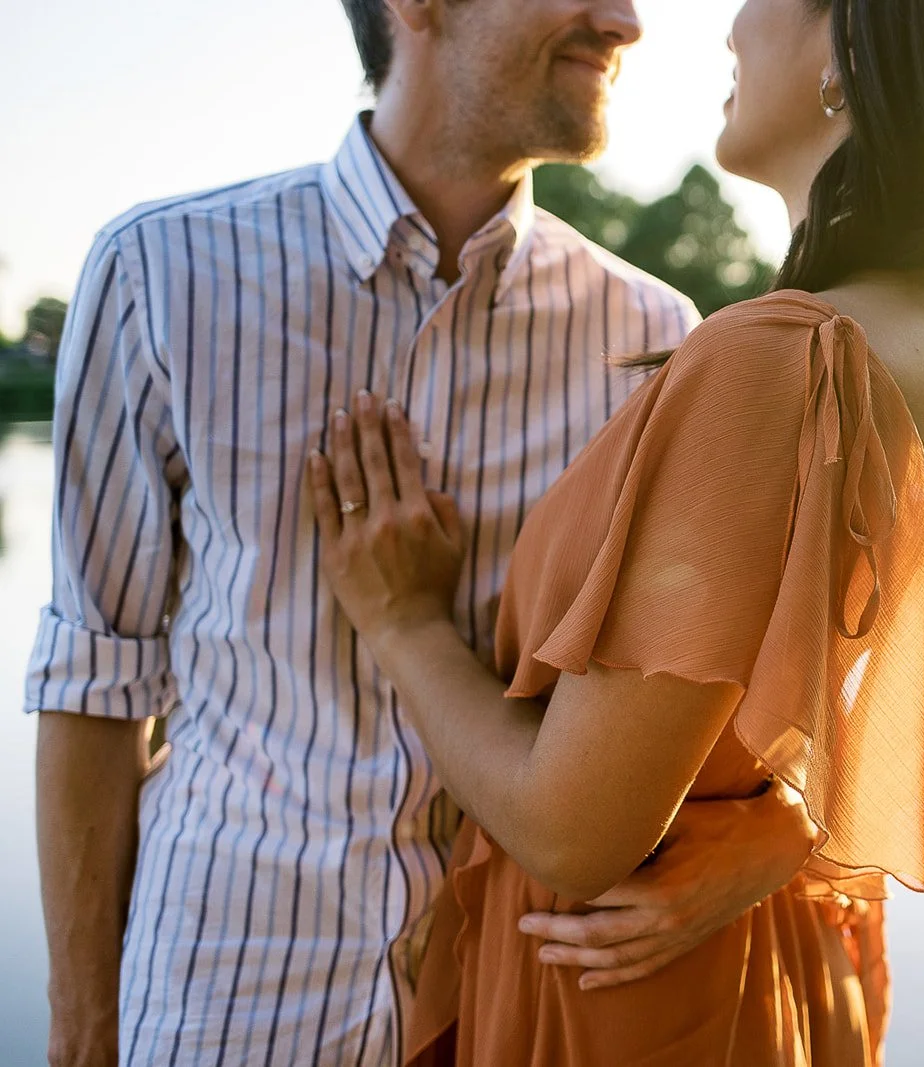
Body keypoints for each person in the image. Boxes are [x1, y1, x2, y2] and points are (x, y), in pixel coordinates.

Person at [309, 0, 924, 1063]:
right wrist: (779, 822)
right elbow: (818, 714)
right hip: (760, 959)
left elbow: (567, 833)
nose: (727, 25)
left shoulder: (781, 360)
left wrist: (402, 619)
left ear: (848, 42)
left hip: (625, 992)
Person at [27, 2, 820, 1064]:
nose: (626, 19)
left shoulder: (654, 337)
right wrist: (85, 1036)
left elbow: (741, 692)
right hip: (227, 999)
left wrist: (785, 823)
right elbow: (94, 686)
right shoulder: (160, 275)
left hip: (519, 1010)